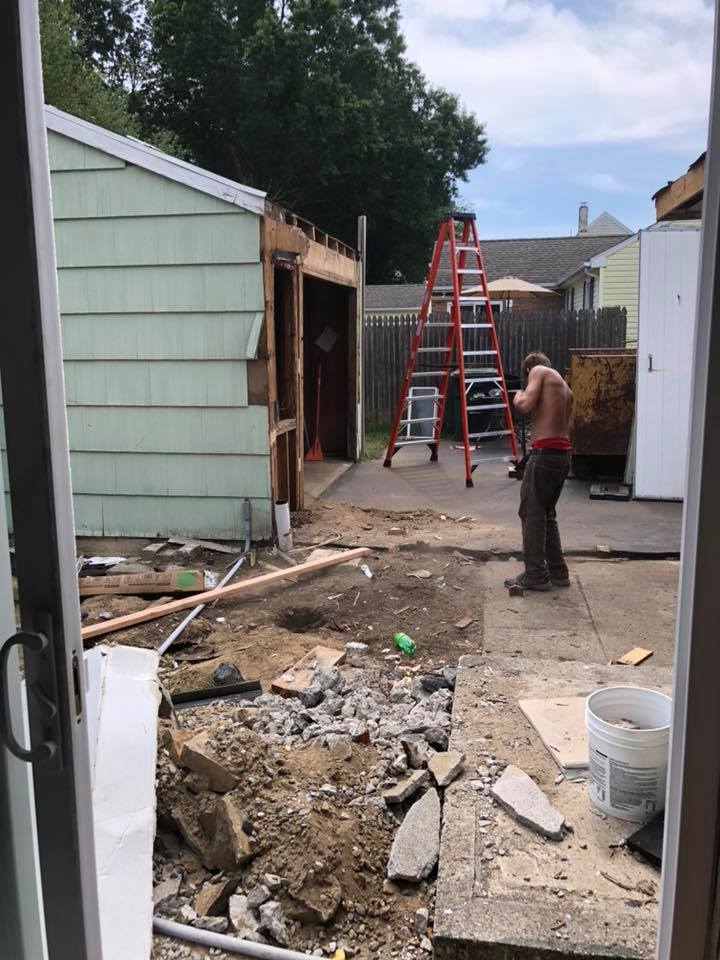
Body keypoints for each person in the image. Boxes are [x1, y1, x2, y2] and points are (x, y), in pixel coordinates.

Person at [504, 352, 573, 592]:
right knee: (546, 514)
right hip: (562, 455)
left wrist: (518, 396)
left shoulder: (539, 371)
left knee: (531, 513)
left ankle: (535, 575)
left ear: (528, 371)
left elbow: (525, 405)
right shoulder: (565, 388)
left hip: (545, 454)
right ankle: (558, 572)